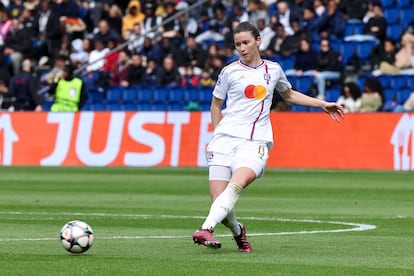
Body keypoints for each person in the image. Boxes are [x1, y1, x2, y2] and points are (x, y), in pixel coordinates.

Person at [191, 21, 344, 252]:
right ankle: (238, 232)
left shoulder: (273, 70)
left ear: (258, 41)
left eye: (246, 42)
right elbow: (216, 104)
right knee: (219, 203)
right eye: (237, 44)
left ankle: (205, 229)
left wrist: (322, 104)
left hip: (255, 141)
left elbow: (289, 94)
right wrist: (217, 134)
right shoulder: (229, 71)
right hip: (223, 140)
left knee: (237, 184)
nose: (242, 48)